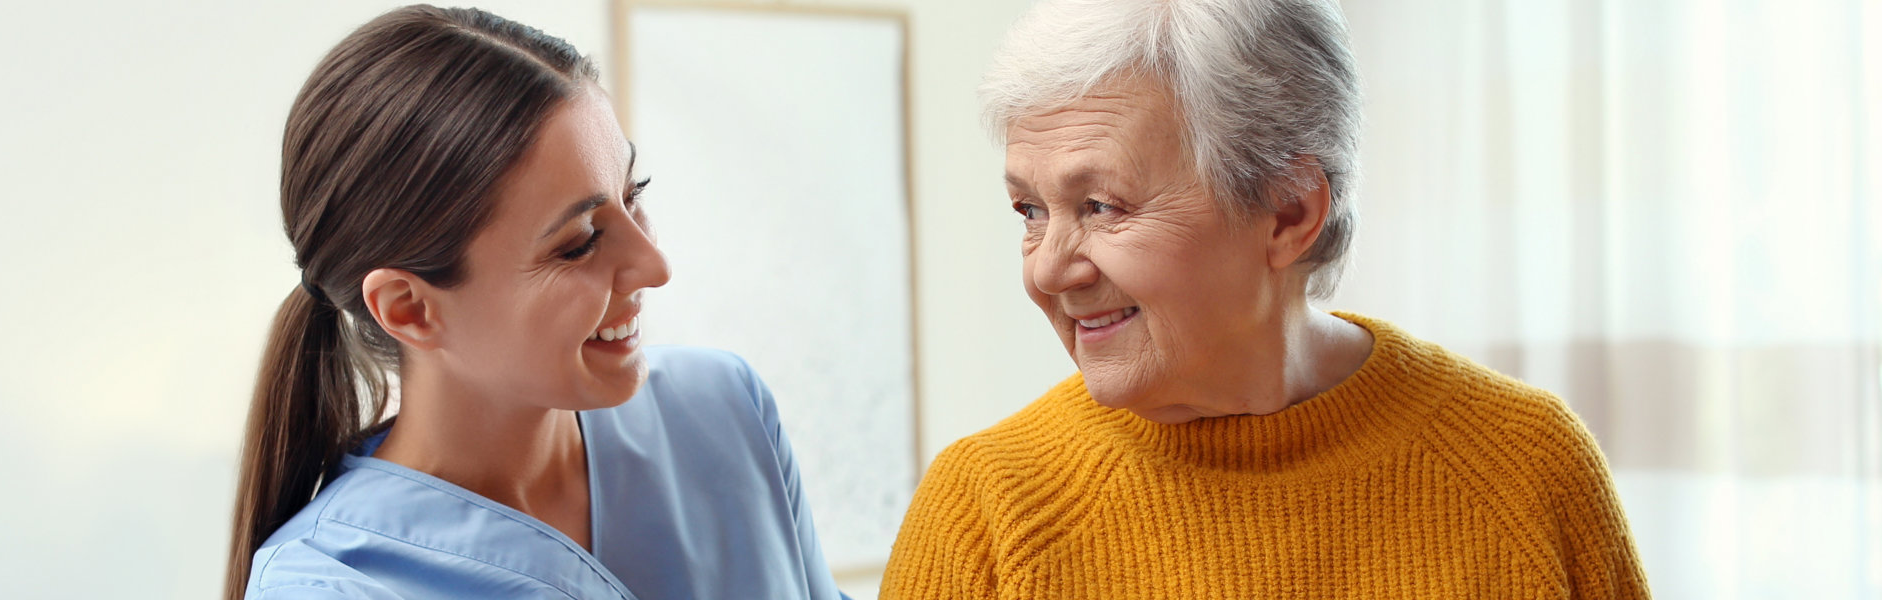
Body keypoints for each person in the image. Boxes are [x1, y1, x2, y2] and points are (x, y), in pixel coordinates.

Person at [881, 0, 1650, 597]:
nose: (1049, 271)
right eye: (1030, 211)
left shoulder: (1527, 468)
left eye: (1102, 207)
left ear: (1288, 212)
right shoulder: (983, 513)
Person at [225, 6, 841, 599]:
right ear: (410, 308)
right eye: (578, 244)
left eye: (634, 194)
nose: (654, 266)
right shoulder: (331, 587)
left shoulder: (725, 411)